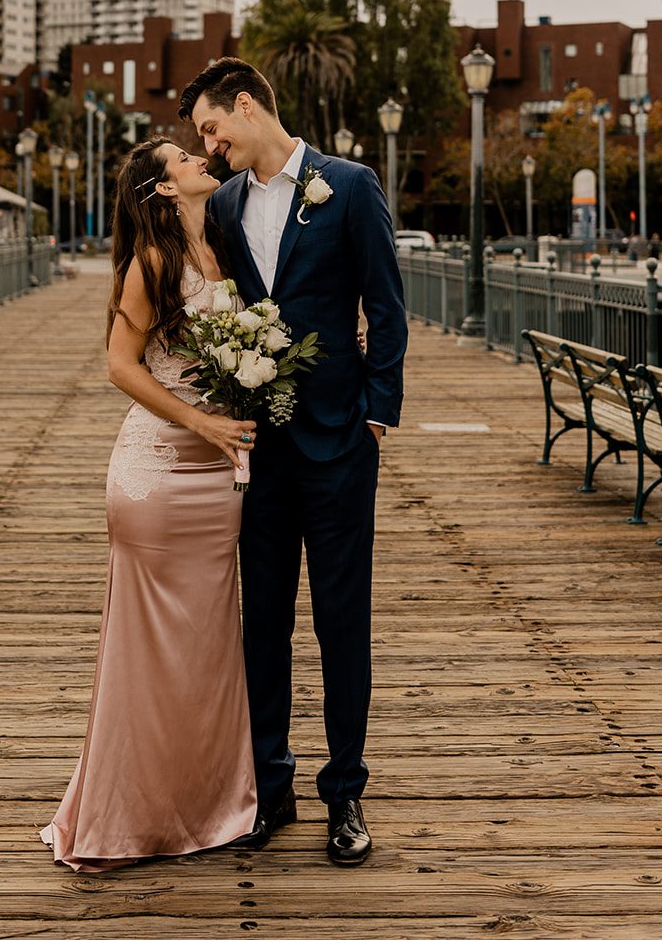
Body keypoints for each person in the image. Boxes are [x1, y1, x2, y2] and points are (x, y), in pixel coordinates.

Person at [179, 59, 408, 867]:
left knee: (344, 623)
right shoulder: (228, 204)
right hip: (260, 449)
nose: (208, 146)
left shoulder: (347, 185)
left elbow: (384, 304)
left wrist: (377, 415)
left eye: (213, 128)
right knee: (263, 624)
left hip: (342, 444)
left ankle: (344, 790)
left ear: (247, 106)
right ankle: (268, 785)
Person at [39, 136, 257, 871]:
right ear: (164, 190)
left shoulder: (223, 248)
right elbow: (117, 365)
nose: (200, 158)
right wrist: (199, 422)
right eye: (183, 160)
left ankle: (203, 806)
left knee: (205, 647)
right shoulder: (153, 263)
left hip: (218, 473)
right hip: (159, 475)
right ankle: (129, 815)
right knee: (149, 650)